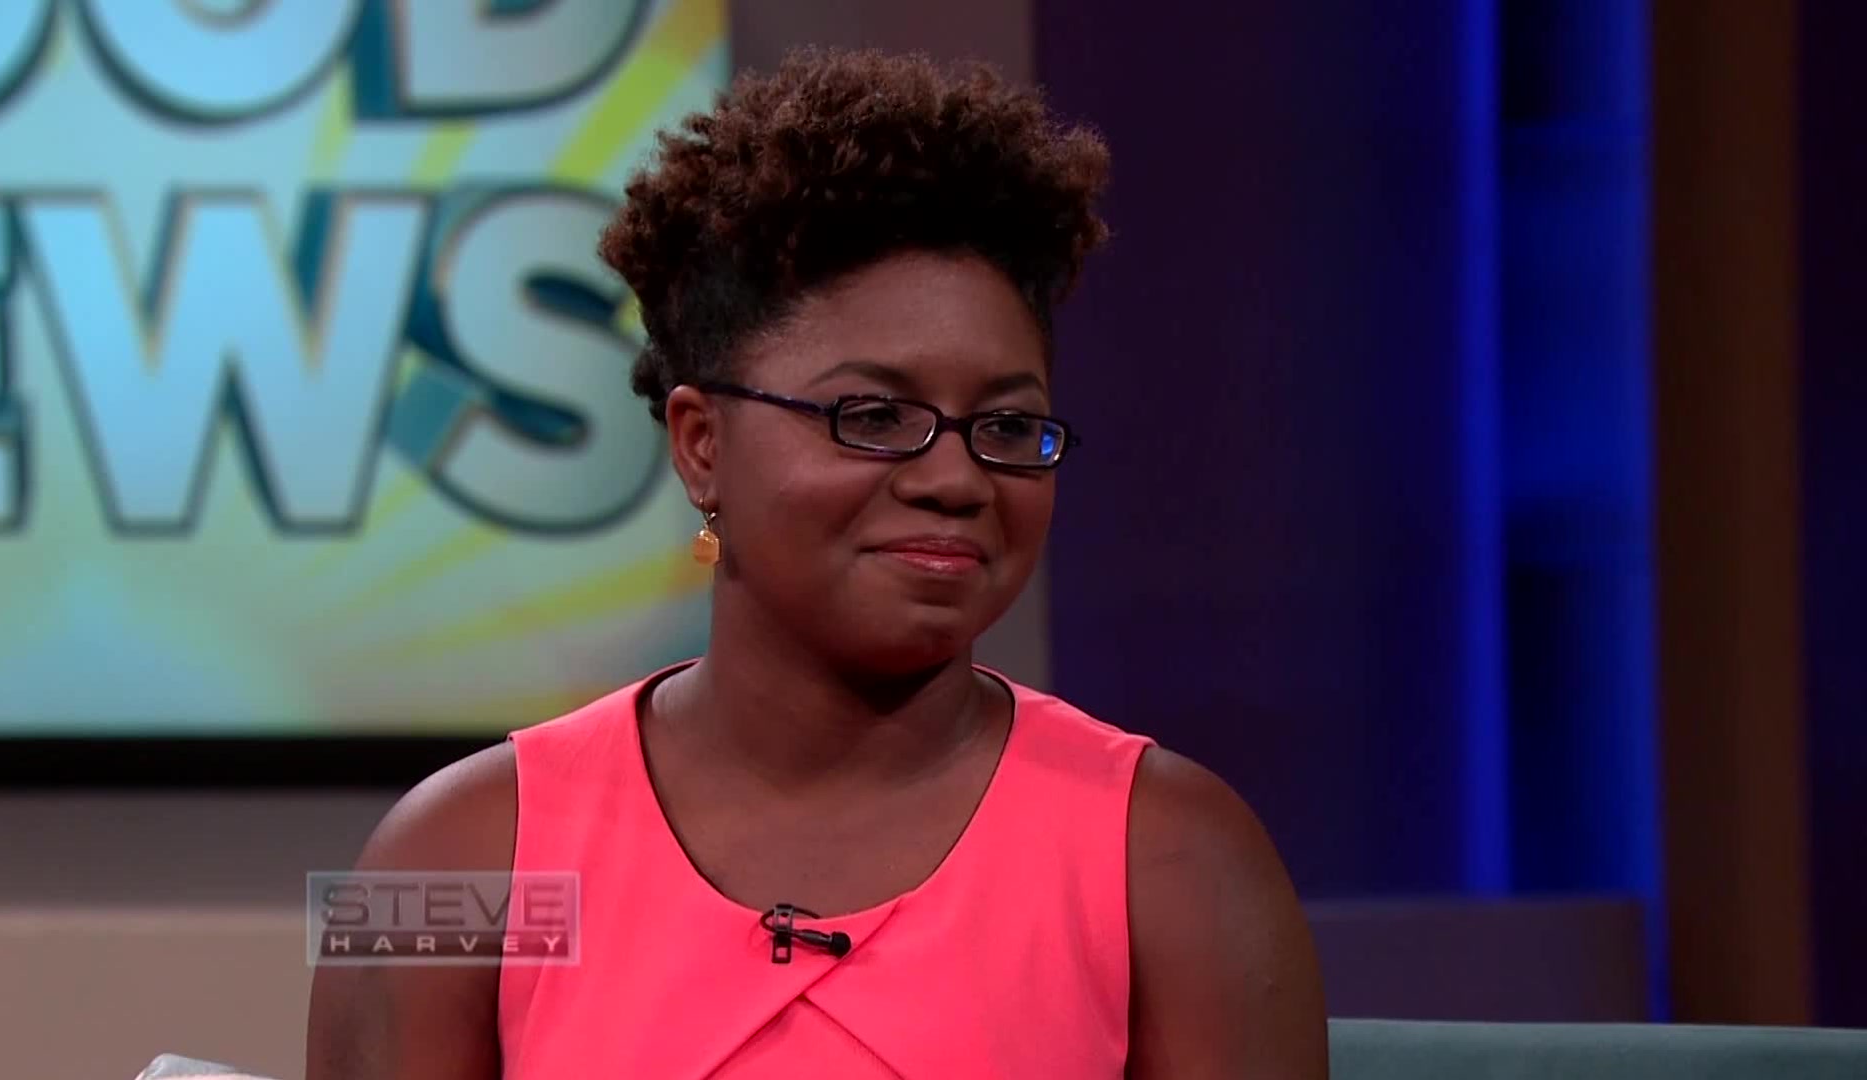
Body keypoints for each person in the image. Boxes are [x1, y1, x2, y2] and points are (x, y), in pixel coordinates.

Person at [307, 47, 1326, 1079]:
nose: (956, 479)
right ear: (701, 444)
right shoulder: (460, 859)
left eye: (1008, 427)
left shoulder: (1173, 861)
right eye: (873, 416)